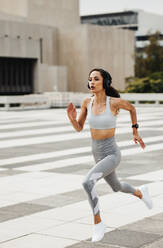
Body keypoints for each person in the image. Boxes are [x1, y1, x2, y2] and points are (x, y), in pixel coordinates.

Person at [67, 68, 153, 242]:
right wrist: (72, 118)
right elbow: (79, 128)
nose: (92, 82)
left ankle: (98, 222)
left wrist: (135, 132)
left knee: (87, 182)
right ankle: (141, 192)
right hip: (96, 153)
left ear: (105, 82)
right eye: (90, 79)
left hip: (111, 154)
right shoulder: (86, 102)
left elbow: (132, 108)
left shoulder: (113, 102)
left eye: (96, 79)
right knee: (117, 186)